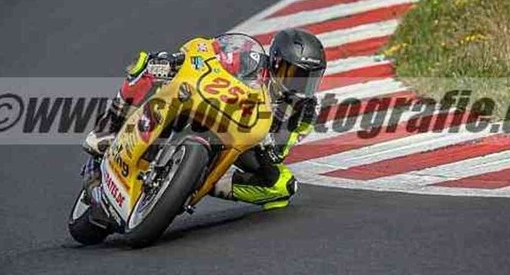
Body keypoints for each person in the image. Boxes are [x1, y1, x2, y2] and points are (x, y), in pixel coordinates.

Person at [83, 28, 327, 210]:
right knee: (147, 64)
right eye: (294, 73)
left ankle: (207, 183)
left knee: (282, 186)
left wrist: (269, 145)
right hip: (211, 103)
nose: (299, 85)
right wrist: (179, 62)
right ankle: (109, 125)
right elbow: (209, 54)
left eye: (309, 79)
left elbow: (280, 152)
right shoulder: (249, 60)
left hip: (246, 140)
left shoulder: (304, 110)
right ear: (275, 61)